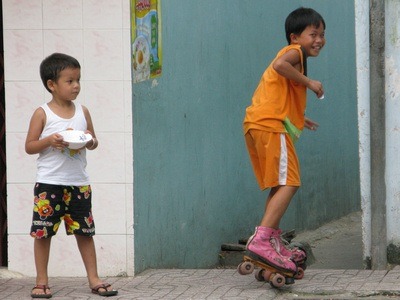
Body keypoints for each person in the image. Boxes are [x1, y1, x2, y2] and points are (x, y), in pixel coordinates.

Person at [25, 53, 118, 298]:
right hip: (49, 183)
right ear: (51, 84)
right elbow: (30, 146)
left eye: (78, 80)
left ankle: (94, 279)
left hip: (78, 183)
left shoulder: (82, 111)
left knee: (84, 232)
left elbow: (94, 142)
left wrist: (89, 140)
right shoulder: (42, 113)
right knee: (43, 232)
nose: (76, 85)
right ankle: (42, 281)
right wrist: (49, 141)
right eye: (69, 81)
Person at [243, 7, 326, 276]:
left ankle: (272, 240)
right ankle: (262, 240)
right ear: (294, 37)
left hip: (260, 124)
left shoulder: (296, 56)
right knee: (290, 182)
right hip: (270, 125)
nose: (319, 39)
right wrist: (310, 82)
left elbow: (280, 90)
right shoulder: (294, 53)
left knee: (279, 184)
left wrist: (301, 118)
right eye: (313, 34)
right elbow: (280, 67)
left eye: (322, 34)